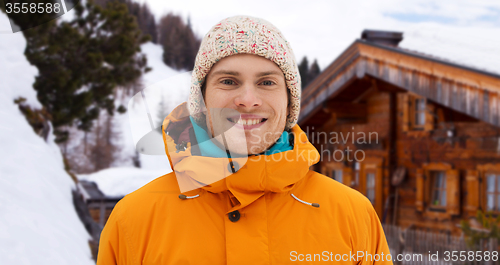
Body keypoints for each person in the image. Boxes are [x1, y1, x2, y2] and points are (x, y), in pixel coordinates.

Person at [97, 15, 393, 264]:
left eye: (267, 82)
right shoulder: (134, 221)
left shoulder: (353, 216)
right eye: (228, 81)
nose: (248, 100)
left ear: (290, 103)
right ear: (201, 101)